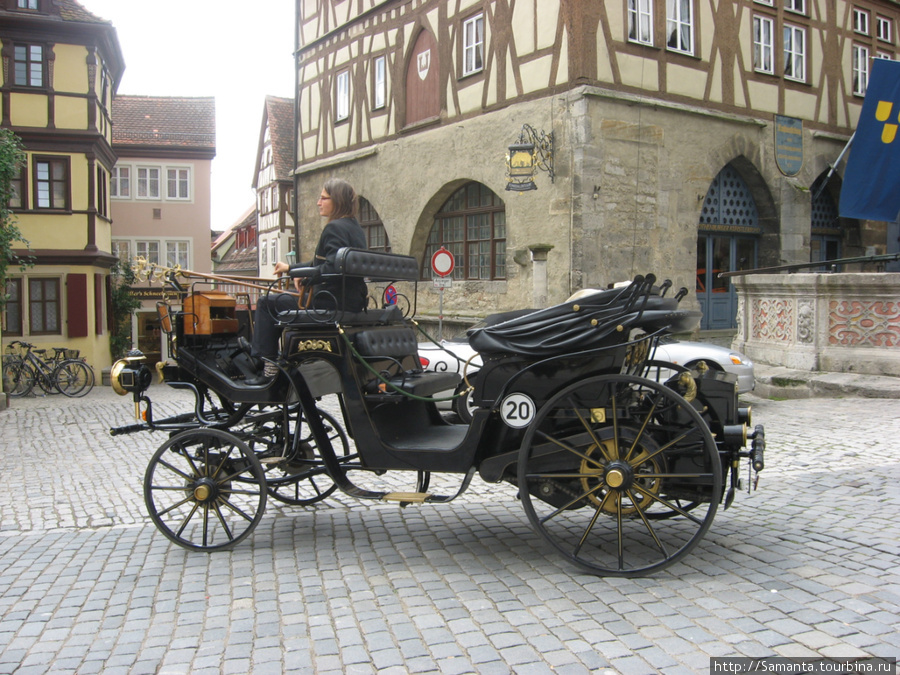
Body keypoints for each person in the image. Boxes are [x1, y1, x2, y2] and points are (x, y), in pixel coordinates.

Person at [243, 178, 367, 384]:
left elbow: (332, 268)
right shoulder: (354, 228)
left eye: (323, 198)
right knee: (279, 300)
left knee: (266, 303)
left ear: (336, 200)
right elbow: (323, 262)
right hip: (352, 301)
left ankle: (267, 365)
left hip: (328, 302)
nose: (319, 202)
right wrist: (291, 269)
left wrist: (308, 277)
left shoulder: (334, 228)